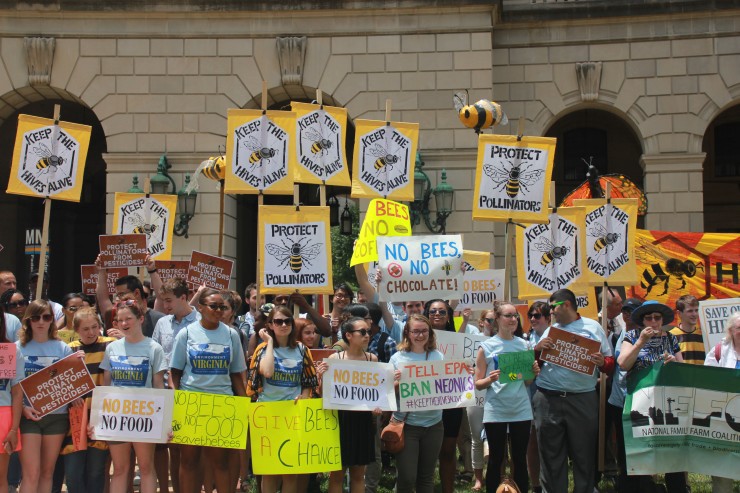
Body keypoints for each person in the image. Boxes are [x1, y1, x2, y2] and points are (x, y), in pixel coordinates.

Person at [532, 289, 614, 493]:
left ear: (566, 305)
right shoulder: (550, 330)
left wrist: (602, 362)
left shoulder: (593, 327)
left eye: (553, 307)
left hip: (582, 399)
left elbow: (611, 363)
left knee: (584, 453)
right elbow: (533, 366)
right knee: (551, 455)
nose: (549, 311)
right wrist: (538, 349)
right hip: (548, 398)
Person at [170, 288, 247, 493]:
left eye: (222, 307)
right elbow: (174, 372)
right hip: (191, 403)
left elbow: (236, 374)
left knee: (220, 463)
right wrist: (176, 404)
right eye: (214, 306)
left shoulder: (231, 335)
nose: (219, 310)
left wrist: (244, 406)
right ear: (201, 308)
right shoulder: (185, 334)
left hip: (221, 404)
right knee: (188, 461)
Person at [247, 306, 318, 493]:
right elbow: (267, 372)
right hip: (267, 415)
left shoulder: (302, 349)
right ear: (270, 325)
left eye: (288, 321)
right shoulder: (262, 349)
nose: (284, 325)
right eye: (278, 321)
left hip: (292, 415)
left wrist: (303, 398)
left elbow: (309, 382)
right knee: (270, 472)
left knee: (290, 472)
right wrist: (270, 342)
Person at [99, 301, 167, 493]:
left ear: (141, 319)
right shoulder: (112, 348)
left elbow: (159, 386)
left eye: (128, 318)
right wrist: (99, 419)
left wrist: (163, 422)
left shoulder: (154, 348)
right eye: (119, 320)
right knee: (120, 469)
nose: (124, 323)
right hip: (117, 416)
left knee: (146, 467)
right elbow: (106, 386)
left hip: (145, 416)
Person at [617, 299, 685, 492]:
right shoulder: (631, 336)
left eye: (657, 318)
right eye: (649, 318)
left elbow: (683, 369)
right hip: (640, 403)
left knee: (672, 450)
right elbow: (623, 364)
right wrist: (640, 342)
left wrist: (674, 363)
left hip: (668, 404)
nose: (653, 322)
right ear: (642, 321)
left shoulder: (671, 338)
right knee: (642, 450)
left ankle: (677, 488)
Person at [475, 302, 539, 493]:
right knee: (496, 458)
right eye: (509, 316)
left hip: (520, 408)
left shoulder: (524, 344)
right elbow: (477, 384)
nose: (513, 320)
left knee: (519, 459)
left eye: (515, 316)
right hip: (496, 408)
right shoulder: (486, 347)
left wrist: (533, 372)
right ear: (497, 319)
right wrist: (489, 378)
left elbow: (526, 382)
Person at [16, 300, 75, 493]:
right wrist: (23, 409)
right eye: (35, 317)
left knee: (47, 472)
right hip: (27, 417)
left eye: (46, 317)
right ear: (28, 321)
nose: (41, 321)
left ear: (52, 320)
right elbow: (10, 386)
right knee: (31, 473)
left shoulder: (63, 349)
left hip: (57, 416)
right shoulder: (17, 348)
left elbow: (70, 383)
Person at [318, 317, 380, 493]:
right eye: (362, 332)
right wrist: (322, 378)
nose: (367, 335)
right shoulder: (334, 358)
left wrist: (377, 406)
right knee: (336, 475)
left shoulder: (372, 359)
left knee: (358, 475)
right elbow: (325, 395)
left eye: (368, 331)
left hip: (362, 421)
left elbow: (376, 392)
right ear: (348, 335)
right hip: (340, 421)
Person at [151, 278, 199, 493]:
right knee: (169, 446)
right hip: (166, 392)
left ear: (183, 297)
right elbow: (155, 354)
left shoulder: (201, 320)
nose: (166, 305)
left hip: (192, 391)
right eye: (163, 301)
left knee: (190, 451)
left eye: (169, 300)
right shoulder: (162, 323)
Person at [62, 308, 116, 493]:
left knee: (96, 471)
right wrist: (72, 393)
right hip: (75, 420)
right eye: (85, 329)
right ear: (76, 330)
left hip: (101, 417)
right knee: (73, 473)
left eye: (95, 327)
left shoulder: (111, 345)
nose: (91, 332)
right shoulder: (69, 350)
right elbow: (59, 384)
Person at [389, 314, 444, 493]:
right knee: (407, 477)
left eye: (424, 331)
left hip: (434, 424)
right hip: (407, 425)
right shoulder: (398, 358)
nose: (420, 335)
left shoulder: (438, 356)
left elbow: (446, 384)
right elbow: (386, 392)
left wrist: (463, 374)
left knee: (426, 477)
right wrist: (396, 382)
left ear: (430, 333)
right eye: (416, 331)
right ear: (407, 333)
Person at [424, 299, 462, 493]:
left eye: (441, 311)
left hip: (451, 402)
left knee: (448, 450)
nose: (437, 314)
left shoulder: (460, 340)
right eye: (432, 311)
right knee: (426, 454)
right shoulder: (417, 339)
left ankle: (448, 489)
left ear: (449, 316)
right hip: (425, 402)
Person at [606, 298, 642, 493]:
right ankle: (625, 479)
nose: (627, 314)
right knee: (621, 442)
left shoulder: (642, 336)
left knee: (639, 442)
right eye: (625, 310)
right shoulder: (617, 336)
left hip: (638, 400)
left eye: (632, 310)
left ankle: (641, 481)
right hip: (618, 400)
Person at [704, 312, 739, 493]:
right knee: (723, 465)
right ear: (731, 330)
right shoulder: (719, 351)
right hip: (725, 418)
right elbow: (707, 380)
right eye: (739, 328)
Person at [525, 301, 551, 493]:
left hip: (554, 397)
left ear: (548, 318)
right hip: (530, 397)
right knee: (532, 443)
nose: (533, 319)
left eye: (537, 315)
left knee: (551, 445)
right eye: (530, 316)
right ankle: (536, 485)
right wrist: (537, 349)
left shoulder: (559, 336)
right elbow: (520, 370)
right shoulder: (525, 338)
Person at [0, 303, 23, 493]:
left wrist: (14, 429)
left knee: (1, 479)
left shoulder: (10, 350)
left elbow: (17, 392)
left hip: (4, 416)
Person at [669, 294, 705, 365]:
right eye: (690, 311)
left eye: (696, 310)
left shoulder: (704, 335)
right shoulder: (670, 336)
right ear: (679, 313)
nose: (694, 314)